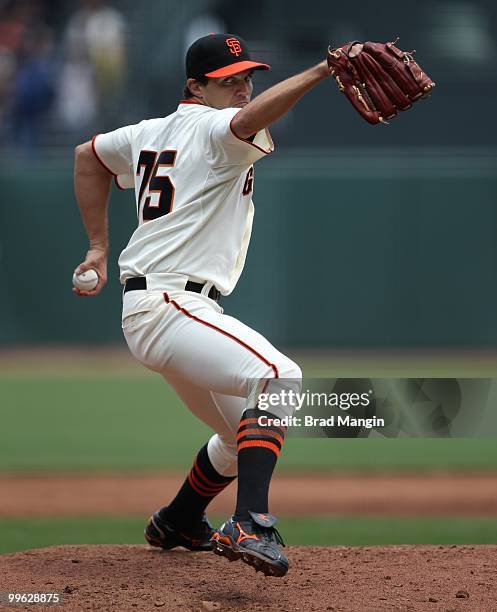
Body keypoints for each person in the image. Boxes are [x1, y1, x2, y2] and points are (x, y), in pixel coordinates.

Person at [73, 33, 331, 577]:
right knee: (280, 377)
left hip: (162, 308)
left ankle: (179, 519)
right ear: (196, 86)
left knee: (243, 436)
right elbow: (242, 121)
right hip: (171, 303)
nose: (242, 89)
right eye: (228, 80)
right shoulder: (216, 125)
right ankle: (250, 522)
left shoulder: (147, 132)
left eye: (246, 77)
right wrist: (318, 72)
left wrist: (98, 246)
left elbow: (88, 156)